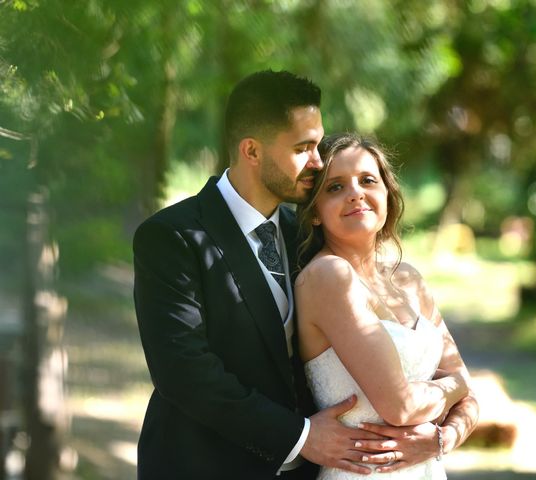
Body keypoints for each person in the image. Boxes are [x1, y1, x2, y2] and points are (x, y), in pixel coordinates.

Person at [133, 70, 385, 479]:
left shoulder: (305, 231)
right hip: (201, 466)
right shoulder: (171, 237)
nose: (318, 162)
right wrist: (300, 437)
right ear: (251, 151)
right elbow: (184, 372)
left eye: (318, 145)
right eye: (303, 148)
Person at [295, 133, 479, 479]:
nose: (355, 193)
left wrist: (441, 440)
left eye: (367, 180)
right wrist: (455, 386)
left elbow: (470, 401)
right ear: (315, 213)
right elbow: (401, 406)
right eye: (335, 187)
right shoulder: (327, 276)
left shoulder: (408, 280)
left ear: (387, 195)